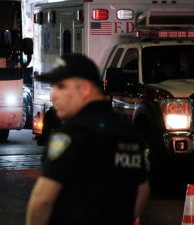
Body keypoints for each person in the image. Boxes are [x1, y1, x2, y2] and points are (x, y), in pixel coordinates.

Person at [25, 54, 149, 225]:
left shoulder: (71, 134)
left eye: (60, 87)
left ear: (84, 89)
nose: (53, 96)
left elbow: (43, 200)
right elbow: (141, 190)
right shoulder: (127, 131)